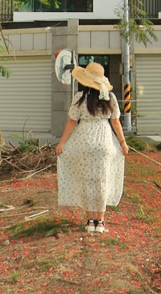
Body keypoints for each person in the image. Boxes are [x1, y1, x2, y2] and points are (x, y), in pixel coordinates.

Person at [55, 61, 129, 234]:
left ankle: (90, 220)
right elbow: (115, 121)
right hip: (104, 141)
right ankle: (101, 221)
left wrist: (62, 143)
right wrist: (123, 142)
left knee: (88, 180)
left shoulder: (80, 97)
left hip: (84, 140)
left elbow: (72, 121)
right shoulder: (110, 97)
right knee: (102, 180)